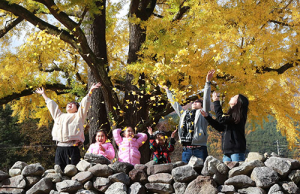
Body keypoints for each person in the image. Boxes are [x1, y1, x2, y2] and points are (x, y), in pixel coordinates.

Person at [35, 82, 101, 170]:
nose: (69, 104)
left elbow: (84, 105)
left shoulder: (79, 116)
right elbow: (52, 106)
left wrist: (90, 91)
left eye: (73, 104)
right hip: (60, 148)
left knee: (73, 170)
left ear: (77, 108)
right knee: (59, 170)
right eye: (68, 104)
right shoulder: (59, 116)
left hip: (72, 148)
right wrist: (43, 94)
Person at [160, 70, 215, 163]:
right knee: (185, 174)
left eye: (197, 102)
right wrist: (167, 91)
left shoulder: (203, 113)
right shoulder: (184, 114)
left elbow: (206, 99)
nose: (194, 103)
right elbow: (175, 105)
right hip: (186, 149)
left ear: (201, 105)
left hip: (200, 149)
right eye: (193, 102)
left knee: (202, 175)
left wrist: (207, 82)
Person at [200, 92, 249, 162]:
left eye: (235, 97)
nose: (232, 97)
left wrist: (216, 102)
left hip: (236, 151)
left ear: (238, 102)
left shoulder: (238, 116)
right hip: (226, 151)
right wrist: (207, 117)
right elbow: (219, 127)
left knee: (237, 172)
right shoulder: (230, 115)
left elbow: (221, 119)